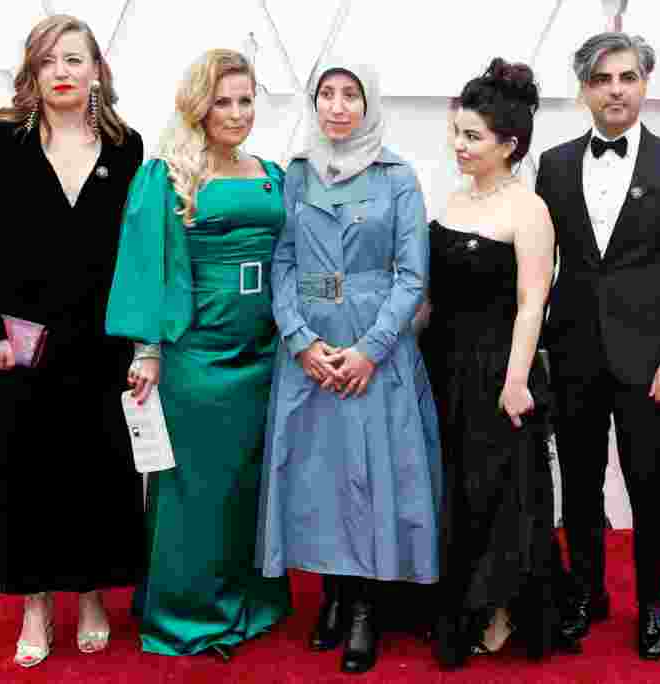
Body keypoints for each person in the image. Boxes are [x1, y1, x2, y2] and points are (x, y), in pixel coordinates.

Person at [0, 14, 145, 668]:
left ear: (97, 70)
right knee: (25, 471)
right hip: (23, 337)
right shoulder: (1, 141)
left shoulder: (126, 146)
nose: (64, 72)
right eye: (50, 62)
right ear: (33, 73)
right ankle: (36, 602)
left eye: (76, 59)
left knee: (97, 470)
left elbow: (137, 251)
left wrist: (142, 342)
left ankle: (92, 593)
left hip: (102, 339)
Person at [534, 32, 660, 660]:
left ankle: (653, 607)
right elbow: (539, 268)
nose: (616, 89)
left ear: (644, 83)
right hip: (574, 354)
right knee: (579, 487)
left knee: (649, 485)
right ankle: (585, 594)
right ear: (585, 89)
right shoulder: (553, 166)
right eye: (603, 79)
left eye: (627, 77)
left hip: (650, 364)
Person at [256, 59, 441, 675]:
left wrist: (370, 349)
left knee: (368, 475)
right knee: (319, 474)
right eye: (327, 95)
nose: (337, 107)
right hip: (310, 346)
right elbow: (280, 260)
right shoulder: (298, 174)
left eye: (350, 95)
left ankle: (365, 608)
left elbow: (414, 276)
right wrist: (301, 340)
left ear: (369, 104)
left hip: (372, 346)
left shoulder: (398, 177)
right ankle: (331, 597)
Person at [105, 48, 290, 660]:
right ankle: (184, 613)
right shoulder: (166, 173)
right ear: (199, 106)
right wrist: (148, 350)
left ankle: (249, 602)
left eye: (245, 100)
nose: (237, 113)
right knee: (191, 490)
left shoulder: (271, 171)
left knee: (248, 488)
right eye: (223, 101)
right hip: (195, 357)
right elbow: (146, 263)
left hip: (264, 355)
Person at [421, 57, 580, 669]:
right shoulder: (454, 199)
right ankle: (457, 601)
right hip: (442, 366)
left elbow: (531, 300)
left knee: (499, 494)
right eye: (457, 133)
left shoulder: (528, 209)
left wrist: (516, 381)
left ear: (509, 145)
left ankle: (503, 607)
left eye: (472, 137)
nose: (458, 146)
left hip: (498, 372)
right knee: (454, 490)